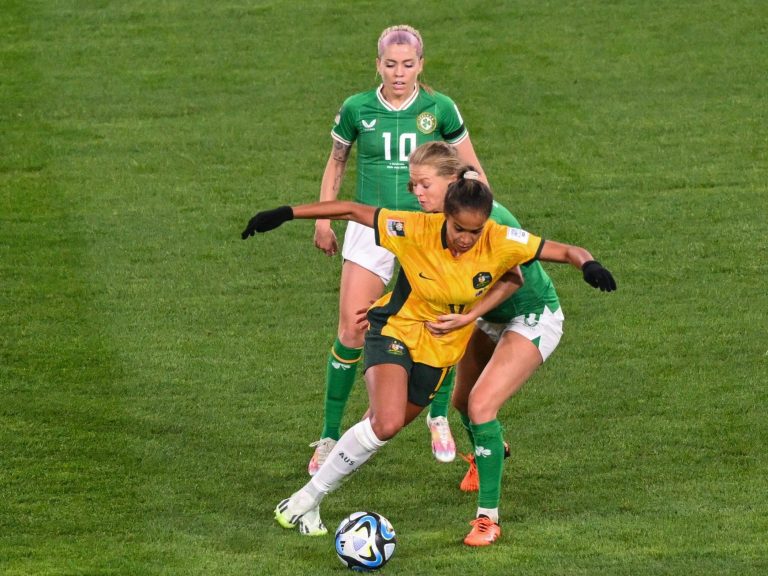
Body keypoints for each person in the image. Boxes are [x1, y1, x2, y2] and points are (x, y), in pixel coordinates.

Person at [241, 172, 617, 538]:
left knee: (386, 424)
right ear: (446, 217)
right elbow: (353, 210)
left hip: (442, 350)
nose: (468, 239)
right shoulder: (414, 228)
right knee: (386, 421)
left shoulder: (500, 239)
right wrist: (287, 213)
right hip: (395, 330)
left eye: (476, 230)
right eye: (459, 229)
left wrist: (589, 264)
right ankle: (303, 499)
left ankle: (309, 503)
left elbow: (552, 258)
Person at [405, 141, 617, 546]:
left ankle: (488, 519)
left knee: (483, 405)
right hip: (486, 318)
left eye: (424, 184)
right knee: (464, 402)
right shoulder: (433, 220)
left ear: (451, 182)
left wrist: (588, 264)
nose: (417, 192)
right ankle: (489, 454)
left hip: (531, 316)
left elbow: (531, 267)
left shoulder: (490, 218)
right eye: (413, 184)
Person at [309, 24, 490, 473]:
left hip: (429, 232)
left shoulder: (439, 108)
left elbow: (472, 170)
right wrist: (322, 218)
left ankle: (438, 416)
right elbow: (336, 162)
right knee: (352, 328)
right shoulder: (356, 109)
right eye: (391, 64)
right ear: (378, 65)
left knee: (440, 323)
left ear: (420, 65)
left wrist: (475, 223)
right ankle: (330, 436)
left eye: (408, 64)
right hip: (372, 227)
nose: (399, 73)